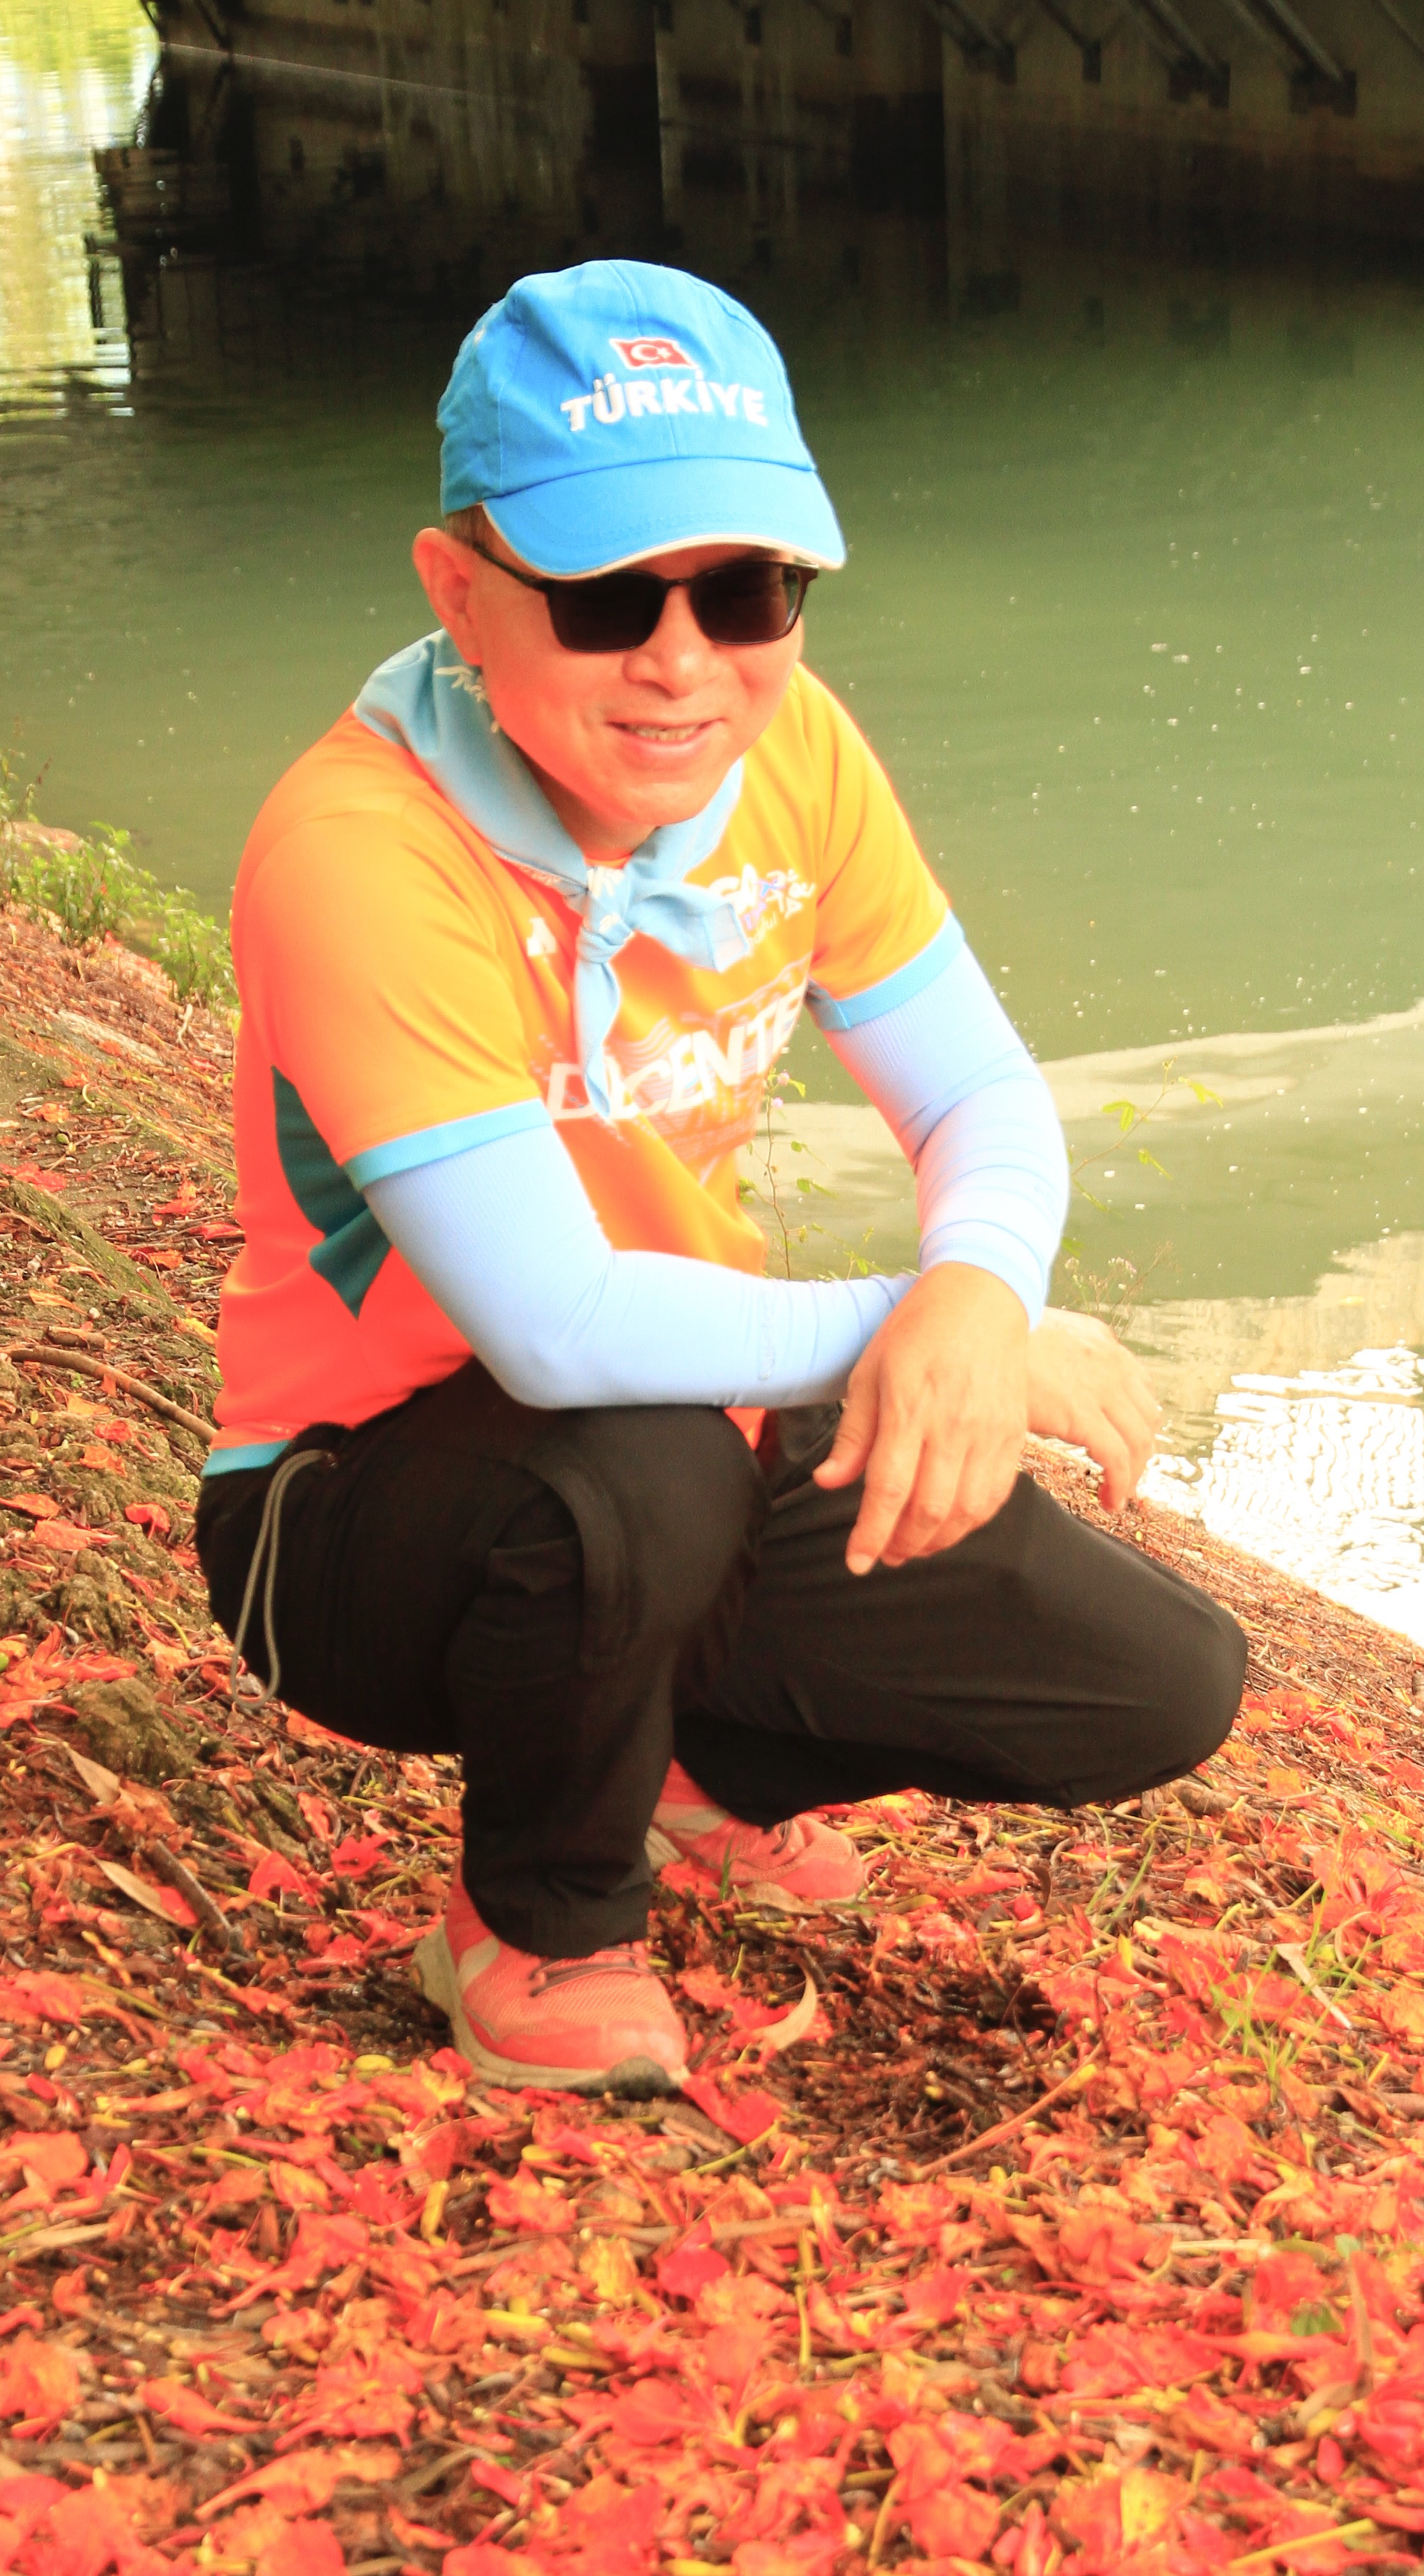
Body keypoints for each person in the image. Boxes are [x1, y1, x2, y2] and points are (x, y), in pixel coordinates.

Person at [198, 260, 1245, 2094]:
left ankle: (685, 1759)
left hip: (682, 1428)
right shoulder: (360, 852)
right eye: (609, 597)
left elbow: (976, 1091)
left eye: (748, 591)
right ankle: (535, 1924)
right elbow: (555, 1327)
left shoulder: (789, 754)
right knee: (643, 1466)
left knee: (1151, 1679)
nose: (684, 662)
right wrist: (914, 1328)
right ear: (459, 591)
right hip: (350, 1512)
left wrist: (981, 1291)